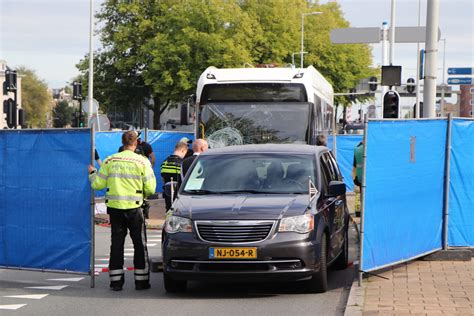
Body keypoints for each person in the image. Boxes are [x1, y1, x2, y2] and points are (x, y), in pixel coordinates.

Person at [88, 131, 156, 291]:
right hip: (135, 209)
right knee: (139, 244)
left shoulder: (110, 160)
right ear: (137, 143)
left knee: (116, 245)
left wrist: (92, 173)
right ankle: (141, 282)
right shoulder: (142, 161)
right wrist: (142, 194)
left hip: (115, 210)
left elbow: (97, 184)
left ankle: (116, 283)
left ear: (122, 142)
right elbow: (151, 188)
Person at [160, 141, 188, 211]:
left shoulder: (164, 163)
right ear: (183, 150)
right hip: (179, 194)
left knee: (168, 211)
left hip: (167, 193)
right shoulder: (182, 164)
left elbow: (163, 179)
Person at [352, 140, 364, 217]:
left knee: (359, 195)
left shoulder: (357, 149)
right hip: (370, 176)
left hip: (359, 176)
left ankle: (359, 211)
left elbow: (354, 166)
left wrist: (354, 179)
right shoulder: (371, 148)